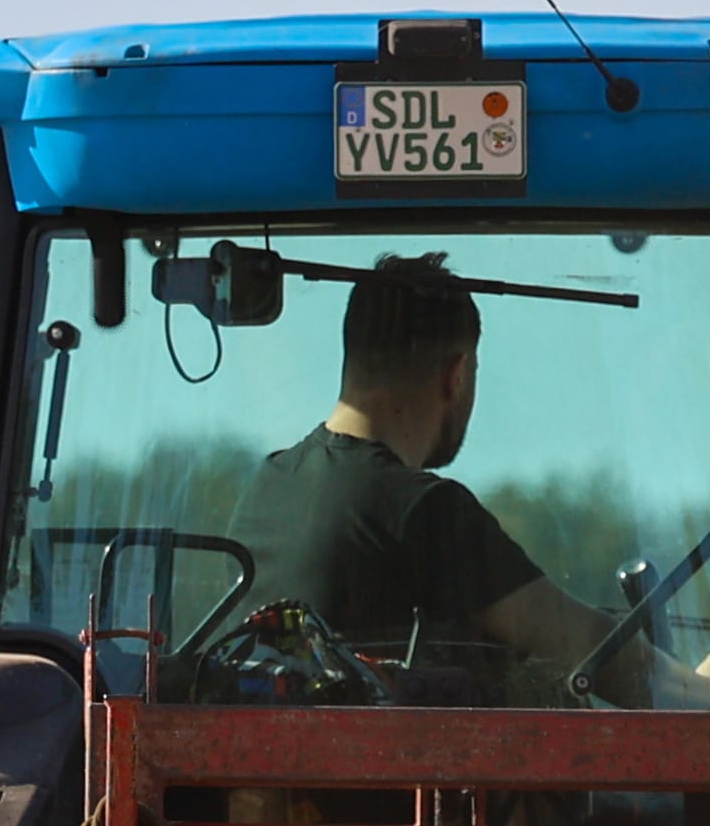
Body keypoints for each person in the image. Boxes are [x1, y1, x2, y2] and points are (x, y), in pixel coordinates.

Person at [230, 253, 677, 706]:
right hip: (382, 774)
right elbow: (592, 648)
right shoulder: (422, 510)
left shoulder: (267, 486)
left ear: (352, 358)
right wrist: (706, 687)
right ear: (457, 375)